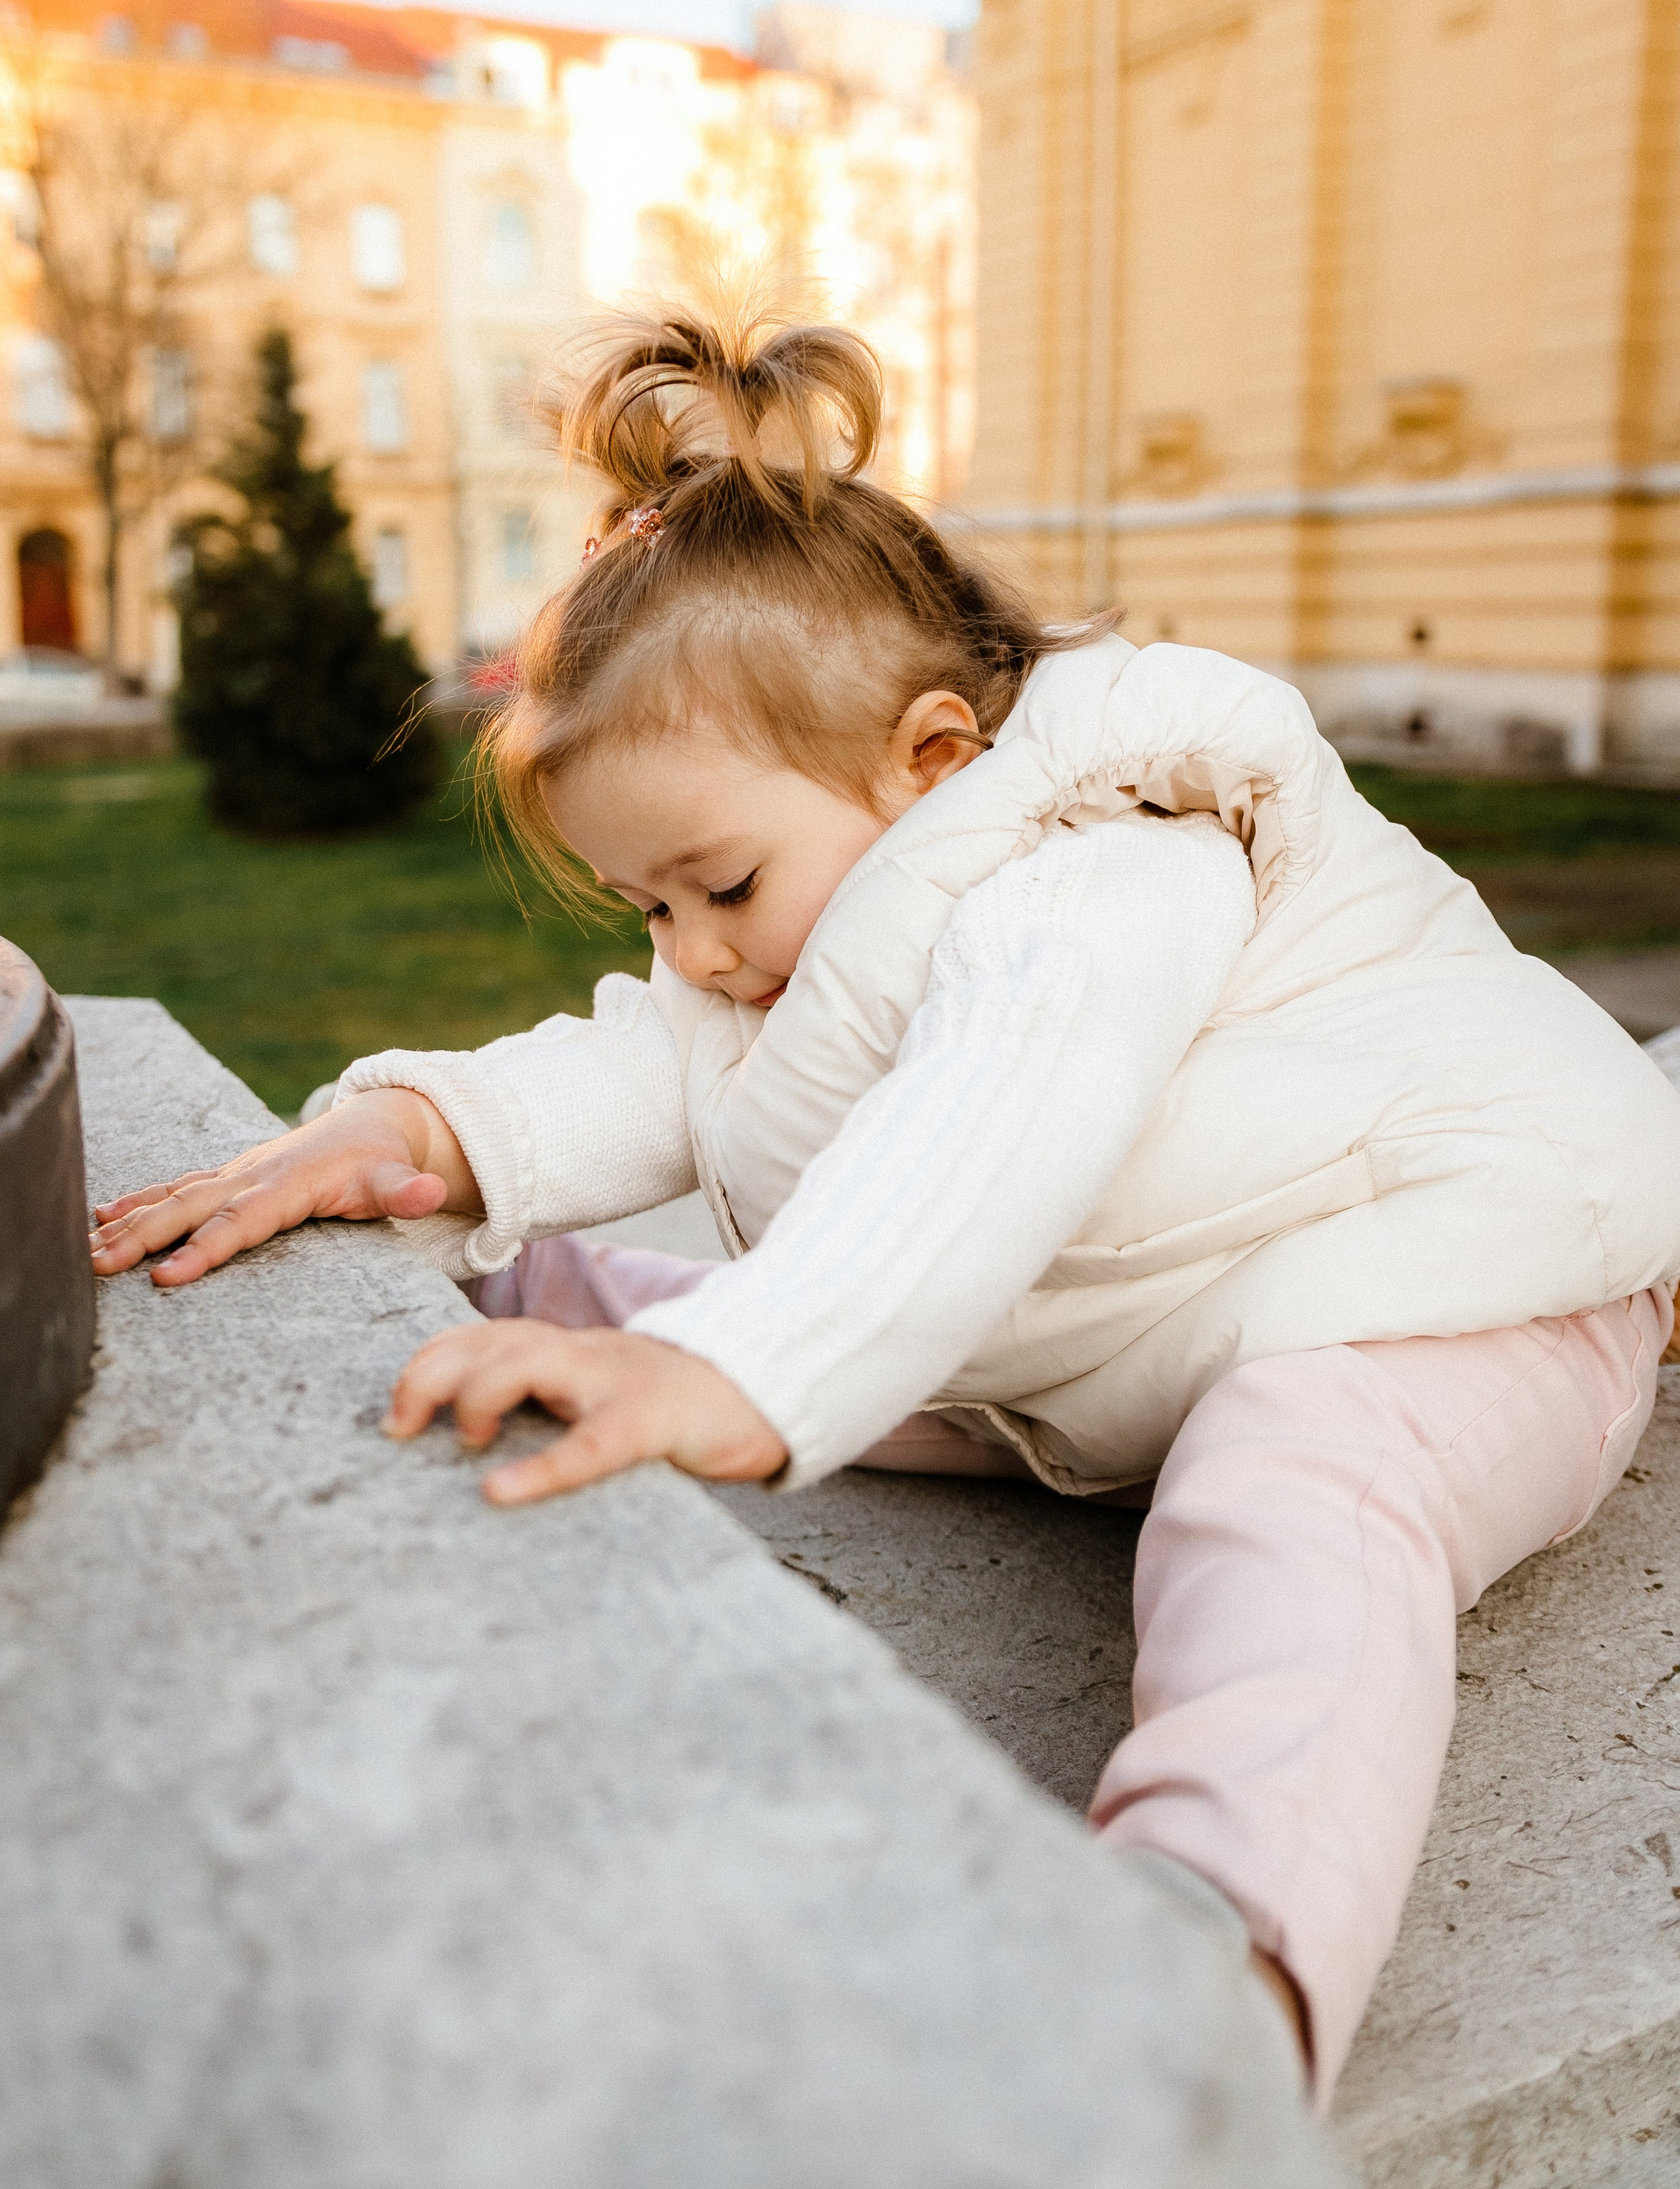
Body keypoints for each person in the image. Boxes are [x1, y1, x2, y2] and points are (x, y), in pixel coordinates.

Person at [91, 304, 1680, 2109]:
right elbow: (646, 1063)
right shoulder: (794, 923)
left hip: (1463, 1277)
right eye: (647, 908)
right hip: (1138, 1318)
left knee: (1297, 1484)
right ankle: (571, 1306)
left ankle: (1220, 1967)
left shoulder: (1109, 862)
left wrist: (754, 1373)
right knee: (742, 1326)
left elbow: (998, 1127)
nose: (690, 952)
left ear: (929, 760)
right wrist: (414, 1130)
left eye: (718, 887)